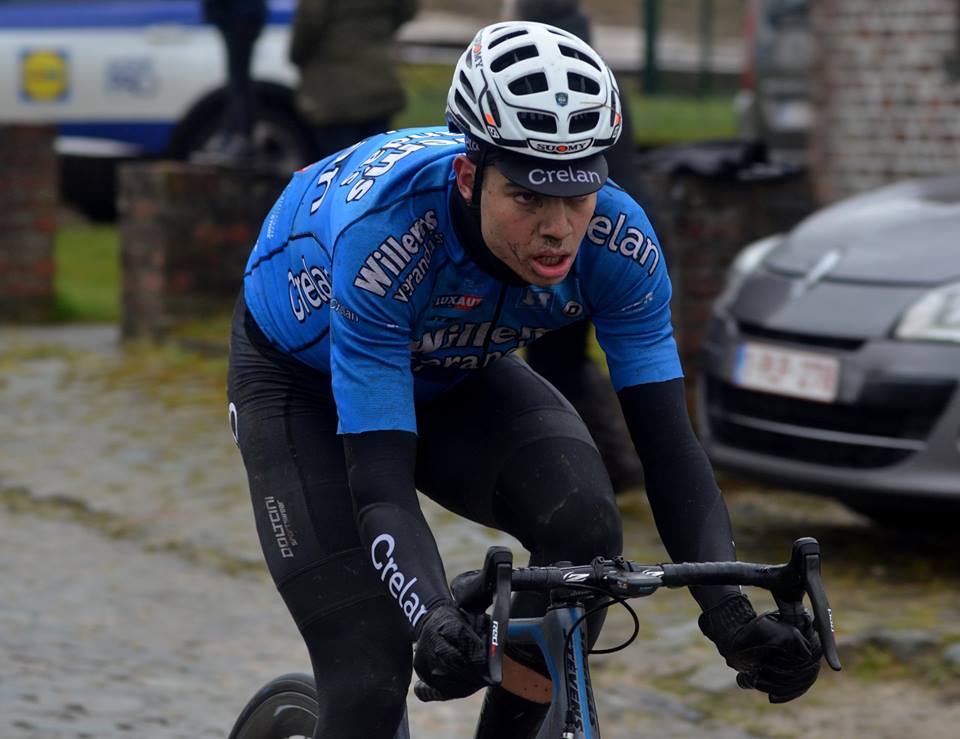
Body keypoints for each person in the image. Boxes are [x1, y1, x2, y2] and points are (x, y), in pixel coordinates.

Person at [227, 21, 823, 739]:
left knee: (585, 527)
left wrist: (731, 615)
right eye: (528, 197)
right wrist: (432, 617)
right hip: (301, 382)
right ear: (468, 176)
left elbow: (669, 448)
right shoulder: (385, 239)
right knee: (370, 669)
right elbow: (380, 484)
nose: (558, 228)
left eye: (578, 195)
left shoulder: (619, 243)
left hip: (451, 363)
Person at [503, 0, 651, 494]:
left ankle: (593, 463)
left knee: (557, 361)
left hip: (583, 242)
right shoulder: (592, 72)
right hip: (608, 233)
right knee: (569, 359)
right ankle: (608, 459)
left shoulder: (544, 82)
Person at [289, 0, 418, 162]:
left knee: (339, 164)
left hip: (333, 87)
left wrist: (296, 56)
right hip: (378, 77)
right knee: (377, 158)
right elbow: (408, 9)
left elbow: (308, 26)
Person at [195, 0, 268, 164]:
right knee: (238, 78)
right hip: (238, 13)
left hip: (238, 13)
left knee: (238, 80)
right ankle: (236, 133)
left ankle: (241, 134)